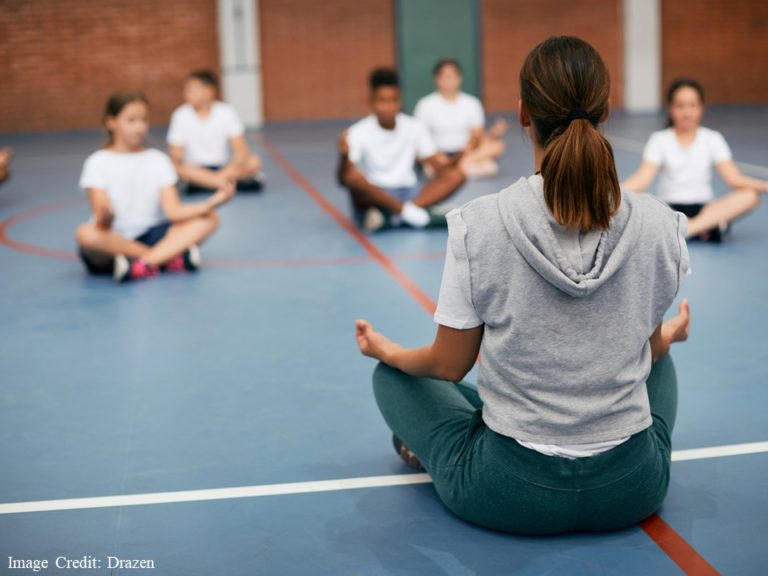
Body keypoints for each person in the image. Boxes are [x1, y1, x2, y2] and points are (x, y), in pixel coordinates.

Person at [355, 36, 691, 535]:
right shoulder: (661, 224)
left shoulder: (478, 223)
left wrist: (390, 351)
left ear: (522, 114)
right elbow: (637, 350)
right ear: (605, 112)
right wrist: (667, 338)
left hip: (510, 491)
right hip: (631, 488)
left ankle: (451, 441)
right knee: (659, 359)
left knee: (394, 377)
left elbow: (449, 365)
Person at [76, 91, 234, 282]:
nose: (139, 127)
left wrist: (212, 203)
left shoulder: (158, 160)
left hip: (149, 234)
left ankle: (143, 264)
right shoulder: (97, 162)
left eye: (144, 120)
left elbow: (174, 211)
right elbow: (101, 223)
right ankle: (165, 258)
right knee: (85, 234)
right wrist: (107, 217)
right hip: (112, 241)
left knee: (210, 219)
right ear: (111, 122)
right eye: (131, 120)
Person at [623, 78, 767, 242]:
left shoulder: (712, 138)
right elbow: (642, 179)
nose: (687, 112)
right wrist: (613, 193)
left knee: (750, 195)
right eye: (680, 106)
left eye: (692, 105)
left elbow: (734, 179)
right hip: (669, 211)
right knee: (638, 200)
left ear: (701, 108)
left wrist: (764, 186)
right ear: (670, 108)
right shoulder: (660, 139)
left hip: (706, 211)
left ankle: (687, 230)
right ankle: (702, 230)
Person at [338, 68, 465, 232]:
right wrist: (343, 157)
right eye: (382, 100)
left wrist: (460, 156)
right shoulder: (357, 131)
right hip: (378, 193)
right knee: (353, 178)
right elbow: (344, 179)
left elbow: (439, 167)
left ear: (400, 100)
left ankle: (392, 216)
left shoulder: (414, 126)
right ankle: (411, 213)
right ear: (371, 101)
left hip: (411, 191)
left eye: (393, 100)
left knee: (457, 175)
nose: (388, 107)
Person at [167, 70, 264, 193]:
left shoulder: (226, 112)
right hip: (195, 170)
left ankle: (207, 184)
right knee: (174, 167)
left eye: (192, 90)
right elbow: (175, 156)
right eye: (187, 90)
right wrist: (193, 171)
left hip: (224, 168)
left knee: (254, 162)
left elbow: (241, 151)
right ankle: (223, 184)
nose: (187, 94)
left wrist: (223, 173)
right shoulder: (180, 114)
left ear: (209, 91)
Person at [414, 58, 507, 179]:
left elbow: (477, 134)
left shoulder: (472, 103)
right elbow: (420, 137)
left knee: (497, 146)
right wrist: (436, 155)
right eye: (445, 76)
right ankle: (459, 169)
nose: (449, 80)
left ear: (459, 78)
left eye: (452, 76)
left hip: (466, 154)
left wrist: (494, 134)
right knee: (417, 151)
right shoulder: (425, 104)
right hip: (437, 154)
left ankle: (451, 169)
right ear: (437, 79)